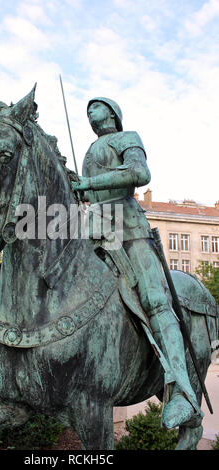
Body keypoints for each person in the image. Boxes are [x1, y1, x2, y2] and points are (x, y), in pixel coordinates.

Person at [71, 97, 203, 429]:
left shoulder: (128, 138)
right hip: (95, 231)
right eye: (87, 111)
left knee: (156, 300)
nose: (90, 114)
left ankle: (183, 392)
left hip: (129, 229)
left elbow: (138, 173)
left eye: (96, 108)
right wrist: (76, 187)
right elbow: (90, 194)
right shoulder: (89, 150)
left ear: (112, 113)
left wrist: (89, 184)